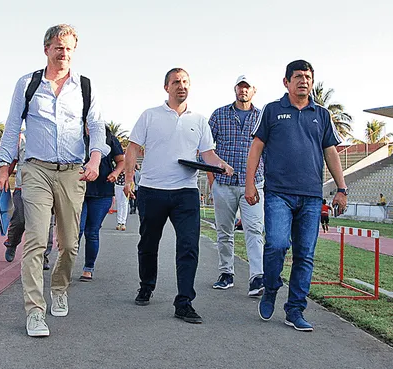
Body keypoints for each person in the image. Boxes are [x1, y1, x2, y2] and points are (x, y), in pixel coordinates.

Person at [0, 24, 109, 337]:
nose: (64, 53)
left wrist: (96, 158)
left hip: (73, 172)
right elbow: (11, 124)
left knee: (70, 244)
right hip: (36, 170)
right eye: (59, 47)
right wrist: (4, 165)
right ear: (46, 49)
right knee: (36, 240)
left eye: (70, 48)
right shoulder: (28, 84)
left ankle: (59, 288)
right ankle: (35, 311)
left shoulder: (85, 86)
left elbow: (97, 127)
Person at [124, 68, 234, 324]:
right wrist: (129, 178)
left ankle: (184, 302)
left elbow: (207, 154)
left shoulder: (199, 120)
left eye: (185, 82)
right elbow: (132, 149)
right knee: (148, 244)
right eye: (176, 82)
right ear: (166, 88)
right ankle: (146, 285)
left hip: (186, 192)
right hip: (152, 191)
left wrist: (222, 165)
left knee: (188, 246)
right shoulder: (149, 116)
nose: (181, 86)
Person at [245, 60, 348, 332]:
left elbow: (331, 153)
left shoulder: (322, 115)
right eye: (298, 77)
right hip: (279, 193)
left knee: (305, 254)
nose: (304, 81)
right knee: (277, 244)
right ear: (286, 82)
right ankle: (270, 288)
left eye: (308, 77)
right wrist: (250, 184)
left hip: (312, 197)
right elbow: (256, 148)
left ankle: (295, 310)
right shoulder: (272, 110)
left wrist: (341, 188)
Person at [208, 74, 265, 297]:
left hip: (253, 183)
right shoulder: (220, 114)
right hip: (224, 183)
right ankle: (226, 273)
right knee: (224, 231)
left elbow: (267, 150)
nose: (243, 91)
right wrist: (213, 178)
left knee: (254, 229)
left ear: (253, 91)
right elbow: (205, 146)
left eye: (247, 87)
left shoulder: (262, 117)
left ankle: (257, 276)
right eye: (240, 87)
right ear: (235, 89)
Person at [3, 130, 55, 269]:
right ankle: (12, 243)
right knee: (20, 219)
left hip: (47, 189)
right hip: (23, 185)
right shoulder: (21, 137)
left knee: (47, 223)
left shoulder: (55, 136)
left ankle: (43, 255)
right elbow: (13, 160)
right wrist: (4, 176)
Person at [78, 127, 124, 281]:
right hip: (77, 190)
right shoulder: (75, 136)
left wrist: (115, 173)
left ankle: (88, 268)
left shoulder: (109, 138)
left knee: (92, 232)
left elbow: (121, 161)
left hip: (102, 191)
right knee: (76, 230)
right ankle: (65, 267)